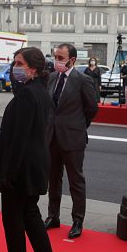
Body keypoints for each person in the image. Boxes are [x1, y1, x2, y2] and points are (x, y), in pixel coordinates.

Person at [0, 47, 65, 252]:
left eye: (19, 63)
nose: (15, 67)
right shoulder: (41, 92)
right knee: (30, 214)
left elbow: (18, 138)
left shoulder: (26, 95)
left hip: (21, 168)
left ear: (33, 69)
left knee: (12, 216)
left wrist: (8, 173)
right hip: (35, 165)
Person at [44, 44, 98, 239]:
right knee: (53, 179)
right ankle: (53, 216)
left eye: (60, 57)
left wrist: (78, 126)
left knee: (76, 180)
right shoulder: (51, 78)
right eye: (55, 56)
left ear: (72, 60)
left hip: (72, 138)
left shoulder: (83, 80)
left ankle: (77, 220)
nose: (56, 60)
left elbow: (91, 108)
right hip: (52, 138)